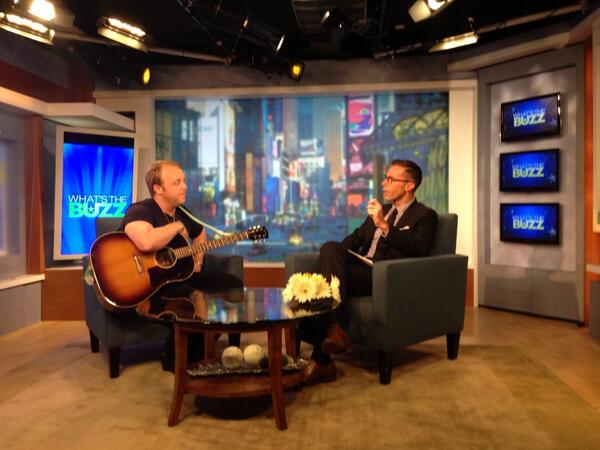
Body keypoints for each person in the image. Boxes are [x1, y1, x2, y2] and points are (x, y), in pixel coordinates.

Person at [300, 159, 438, 385]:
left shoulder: (425, 216)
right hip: (360, 268)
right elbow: (354, 241)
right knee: (330, 249)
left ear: (409, 185)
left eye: (390, 179)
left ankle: (322, 357)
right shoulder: (380, 212)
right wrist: (330, 259)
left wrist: (384, 226)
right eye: (385, 178)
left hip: (383, 275)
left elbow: (420, 248)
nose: (384, 183)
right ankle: (333, 334)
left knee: (324, 281)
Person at [121, 160, 242, 371]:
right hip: (147, 284)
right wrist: (176, 226)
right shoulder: (140, 210)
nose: (185, 186)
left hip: (176, 277)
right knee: (189, 293)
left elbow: (200, 233)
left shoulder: (181, 211)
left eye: (183, 181)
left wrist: (197, 261)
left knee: (230, 282)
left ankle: (206, 344)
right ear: (158, 189)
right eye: (177, 182)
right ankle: (173, 356)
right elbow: (145, 242)